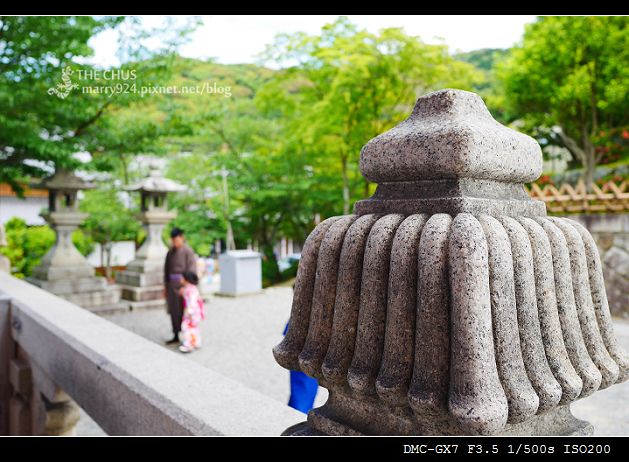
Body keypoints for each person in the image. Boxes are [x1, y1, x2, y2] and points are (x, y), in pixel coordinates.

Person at [163, 227, 197, 345]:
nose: (175, 243)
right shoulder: (170, 253)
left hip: (184, 286)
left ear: (182, 238)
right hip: (172, 285)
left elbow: (192, 270)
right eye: (173, 241)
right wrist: (165, 286)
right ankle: (175, 334)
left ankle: (187, 336)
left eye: (177, 240)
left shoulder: (188, 251)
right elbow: (166, 271)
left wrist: (187, 286)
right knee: (173, 311)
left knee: (185, 311)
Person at [178, 270, 205, 353]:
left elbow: (192, 301)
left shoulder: (190, 290)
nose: (180, 279)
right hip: (196, 311)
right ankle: (196, 342)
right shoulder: (191, 288)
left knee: (186, 327)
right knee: (194, 328)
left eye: (182, 278)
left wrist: (190, 312)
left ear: (187, 279)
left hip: (192, 312)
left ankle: (188, 345)